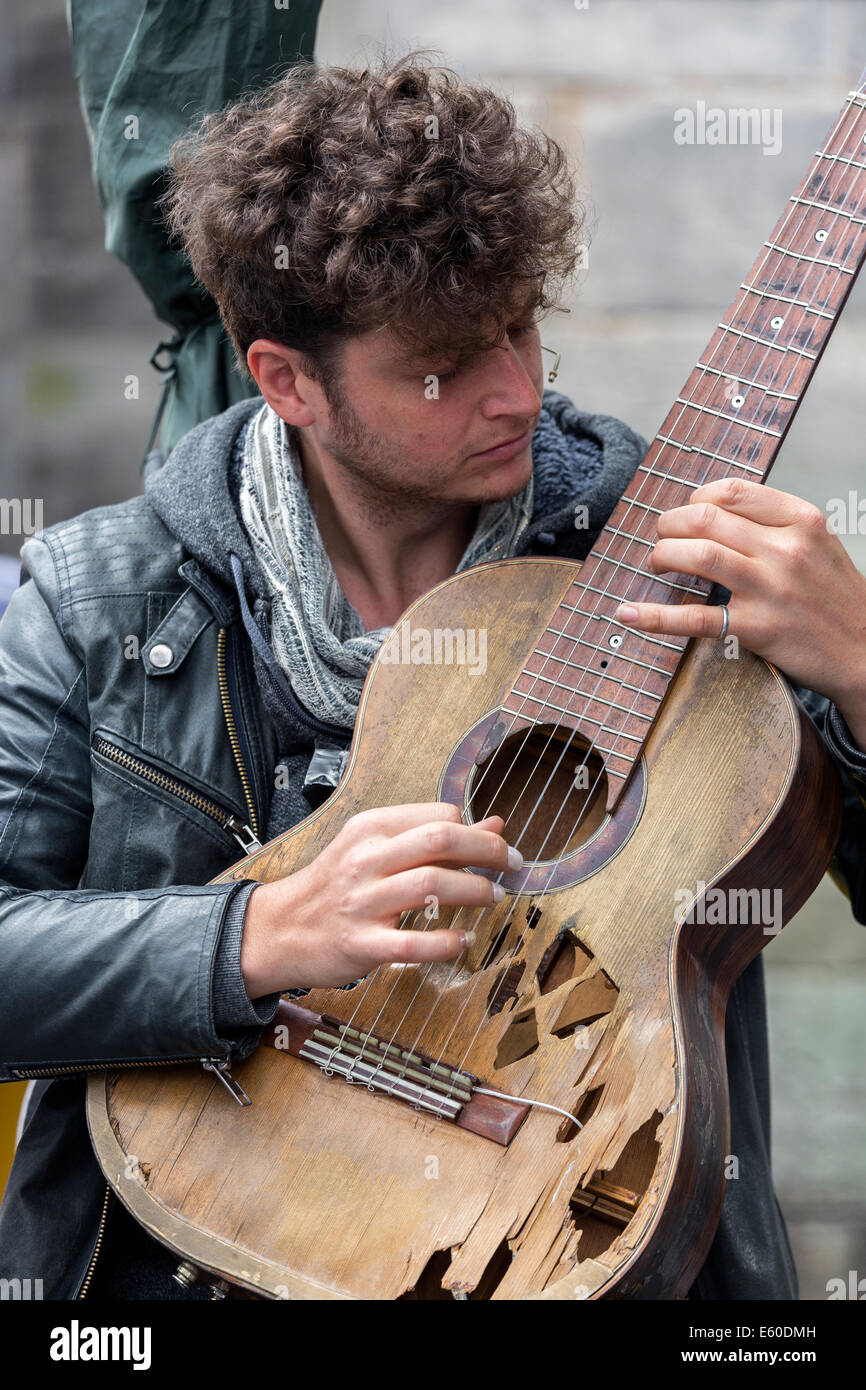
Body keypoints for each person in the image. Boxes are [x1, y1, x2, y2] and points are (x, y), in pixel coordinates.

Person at [1, 52, 864, 1302]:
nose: (516, 389)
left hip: (585, 1250)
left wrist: (858, 663)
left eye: (521, 324)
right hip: (168, 1273)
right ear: (286, 378)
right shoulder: (100, 601)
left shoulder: (675, 556)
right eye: (442, 365)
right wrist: (249, 934)